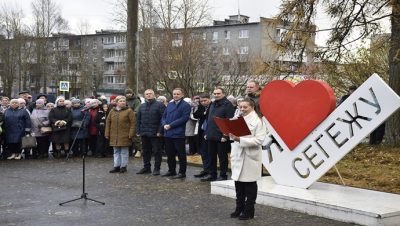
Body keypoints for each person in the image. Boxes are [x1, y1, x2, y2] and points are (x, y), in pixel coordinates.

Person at [229, 98, 267, 220]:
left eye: (245, 107)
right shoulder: (238, 119)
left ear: (252, 107)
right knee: (238, 184)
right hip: (238, 153)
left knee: (249, 185)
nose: (242, 109)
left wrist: (240, 139)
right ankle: (239, 208)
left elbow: (260, 140)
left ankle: (249, 210)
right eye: (240, 107)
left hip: (250, 156)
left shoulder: (258, 121)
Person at [201, 87, 235, 182]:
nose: (216, 95)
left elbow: (229, 121)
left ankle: (223, 175)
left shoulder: (228, 105)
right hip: (211, 134)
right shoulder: (212, 104)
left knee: (222, 157)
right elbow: (209, 119)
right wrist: (207, 132)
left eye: (218, 93)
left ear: (223, 94)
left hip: (221, 136)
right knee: (211, 156)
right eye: (215, 93)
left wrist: (225, 135)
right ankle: (212, 174)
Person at [161, 88, 191, 179]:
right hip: (168, 133)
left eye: (178, 94)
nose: (176, 95)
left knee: (181, 154)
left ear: (182, 95)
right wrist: (164, 124)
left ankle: (182, 172)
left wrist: (171, 125)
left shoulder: (185, 105)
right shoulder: (170, 104)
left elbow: (184, 118)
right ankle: (171, 170)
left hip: (178, 134)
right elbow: (164, 116)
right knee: (170, 154)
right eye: (174, 94)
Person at [136, 89, 166, 176]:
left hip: (155, 133)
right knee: (145, 151)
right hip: (144, 132)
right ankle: (146, 168)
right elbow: (138, 120)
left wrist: (160, 131)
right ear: (145, 96)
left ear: (154, 95)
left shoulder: (160, 105)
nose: (148, 95)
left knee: (157, 151)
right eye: (147, 94)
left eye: (150, 94)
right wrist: (138, 130)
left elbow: (163, 119)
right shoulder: (142, 106)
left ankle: (157, 169)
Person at [105, 96, 136, 173]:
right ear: (116, 102)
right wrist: (107, 132)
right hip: (114, 135)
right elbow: (108, 122)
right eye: (120, 101)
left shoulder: (129, 111)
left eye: (124, 101)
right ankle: (116, 166)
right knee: (116, 151)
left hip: (125, 135)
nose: (122, 102)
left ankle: (123, 166)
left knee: (124, 152)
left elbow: (133, 123)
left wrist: (131, 133)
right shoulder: (112, 111)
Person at [192, 93, 211, 178]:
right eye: (201, 101)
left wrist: (203, 114)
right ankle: (205, 169)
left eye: (205, 100)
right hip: (201, 131)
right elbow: (196, 115)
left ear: (209, 99)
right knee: (203, 152)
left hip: (210, 132)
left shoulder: (212, 106)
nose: (203, 102)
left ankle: (210, 170)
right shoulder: (201, 106)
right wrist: (203, 113)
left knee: (209, 152)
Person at [125, 88, 142, 157]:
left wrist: (130, 113)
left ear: (132, 93)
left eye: (130, 93)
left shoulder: (136, 100)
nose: (129, 94)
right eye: (127, 93)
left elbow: (137, 110)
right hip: (126, 120)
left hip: (134, 120)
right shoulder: (125, 100)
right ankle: (129, 150)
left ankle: (139, 150)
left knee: (136, 136)